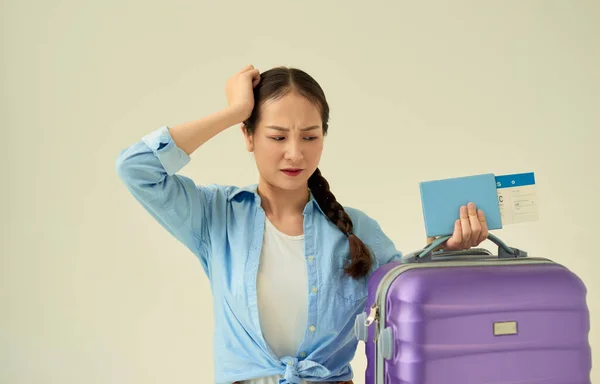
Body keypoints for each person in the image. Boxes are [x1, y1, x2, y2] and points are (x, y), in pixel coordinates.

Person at [115, 65, 489, 384]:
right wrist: (234, 111)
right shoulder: (217, 215)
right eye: (277, 136)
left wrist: (442, 252)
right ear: (247, 135)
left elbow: (401, 299)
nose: (295, 153)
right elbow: (136, 168)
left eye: (310, 136)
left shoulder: (356, 229)